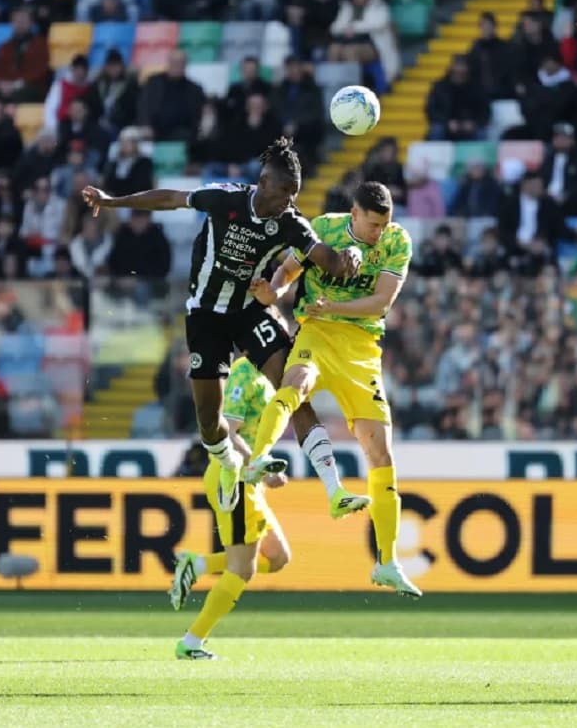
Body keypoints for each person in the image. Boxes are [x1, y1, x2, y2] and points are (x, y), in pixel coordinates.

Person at [81, 137, 362, 514]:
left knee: (293, 389)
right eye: (283, 193)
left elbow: (325, 258)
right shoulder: (225, 199)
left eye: (294, 195)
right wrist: (112, 201)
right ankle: (228, 461)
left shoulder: (290, 223)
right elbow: (169, 199)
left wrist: (350, 256)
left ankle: (334, 489)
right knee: (209, 421)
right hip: (205, 316)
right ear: (263, 183)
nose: (289, 202)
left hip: (249, 312)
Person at [245, 181, 421, 597]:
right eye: (374, 223)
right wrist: (277, 290)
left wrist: (335, 306)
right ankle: (259, 459)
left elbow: (381, 302)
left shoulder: (398, 241)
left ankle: (388, 562)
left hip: (361, 349)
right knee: (295, 384)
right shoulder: (325, 228)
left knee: (380, 451)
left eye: (385, 223)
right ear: (354, 214)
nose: (380, 231)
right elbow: (289, 267)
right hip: (318, 333)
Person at [169, 357, 292, 660]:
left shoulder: (265, 375)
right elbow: (230, 433)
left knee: (277, 556)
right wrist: (262, 467)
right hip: (235, 478)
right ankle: (192, 641)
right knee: (242, 568)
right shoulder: (244, 373)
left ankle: (198, 565)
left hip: (249, 482)